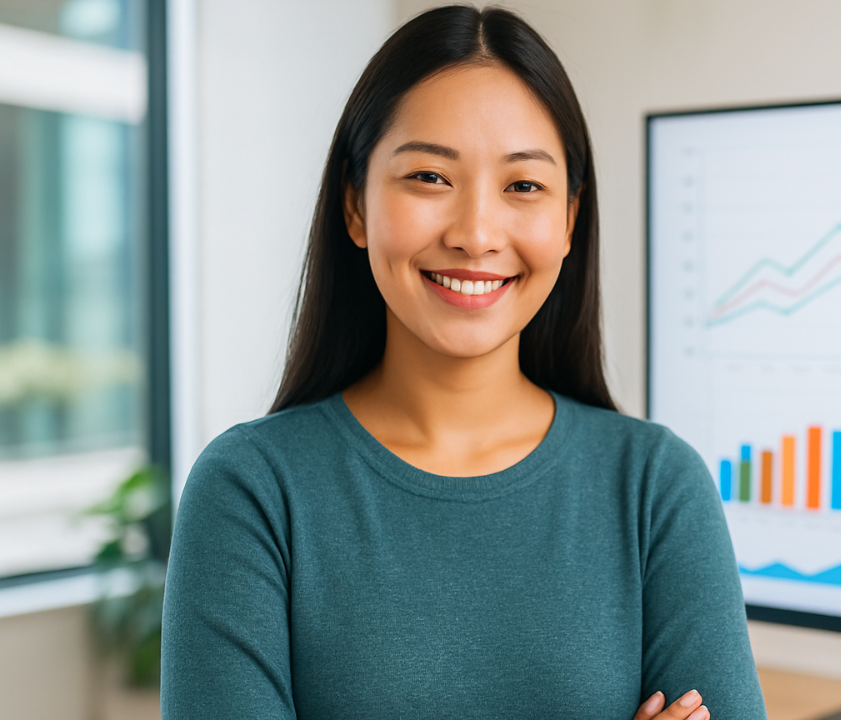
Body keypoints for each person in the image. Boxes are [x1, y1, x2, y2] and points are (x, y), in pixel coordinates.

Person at [160, 5, 768, 719]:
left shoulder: (655, 490)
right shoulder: (253, 493)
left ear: (569, 220)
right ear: (355, 205)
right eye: (428, 177)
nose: (477, 234)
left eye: (523, 186)